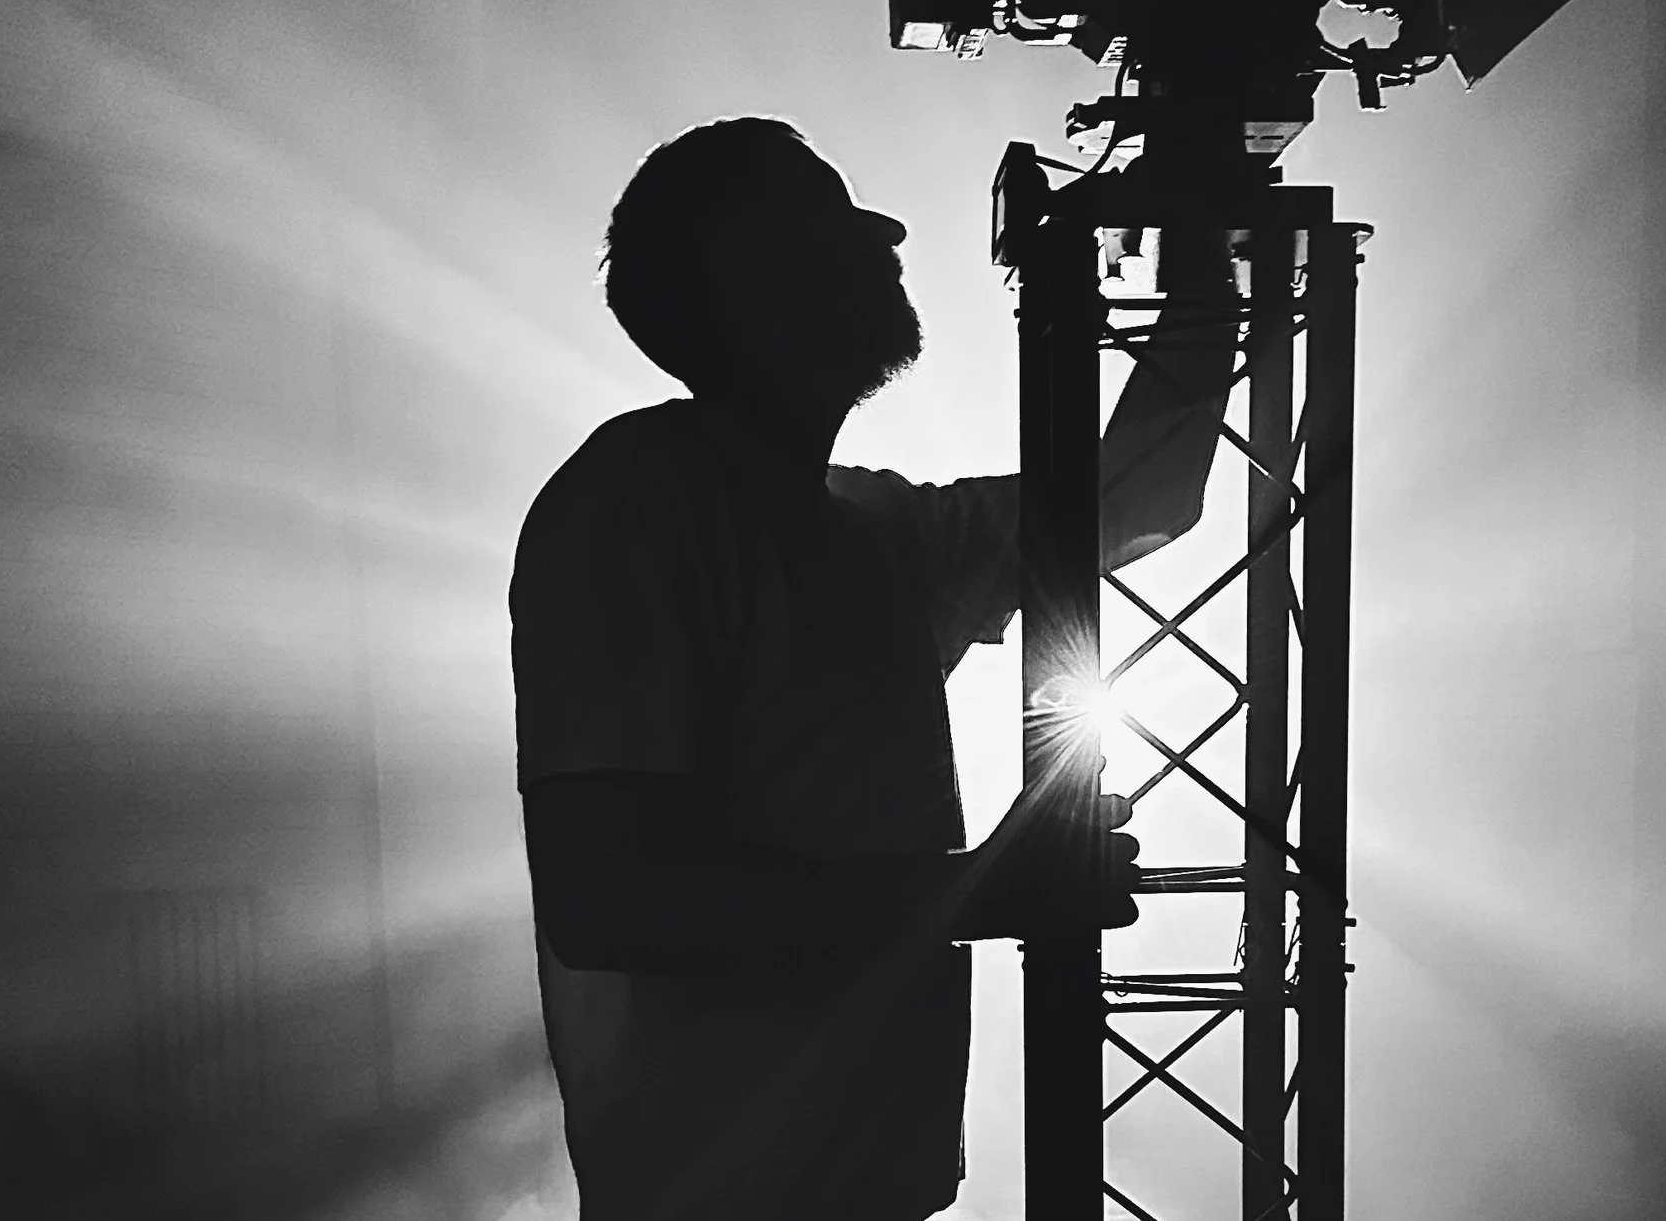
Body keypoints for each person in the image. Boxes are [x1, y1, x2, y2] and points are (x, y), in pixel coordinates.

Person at [510, 116, 1233, 1220]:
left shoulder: (878, 530)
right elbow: (605, 899)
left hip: (860, 1186)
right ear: (750, 274)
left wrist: (1207, 259)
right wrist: (980, 888)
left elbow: (1134, 497)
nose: (885, 230)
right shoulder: (631, 506)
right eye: (832, 214)